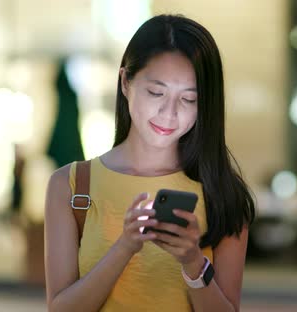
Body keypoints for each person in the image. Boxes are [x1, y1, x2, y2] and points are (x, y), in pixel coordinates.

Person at [44, 14, 255, 311]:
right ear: (125, 82)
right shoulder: (71, 186)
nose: (169, 113)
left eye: (189, 99)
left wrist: (193, 262)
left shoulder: (221, 192)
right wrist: (125, 247)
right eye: (156, 92)